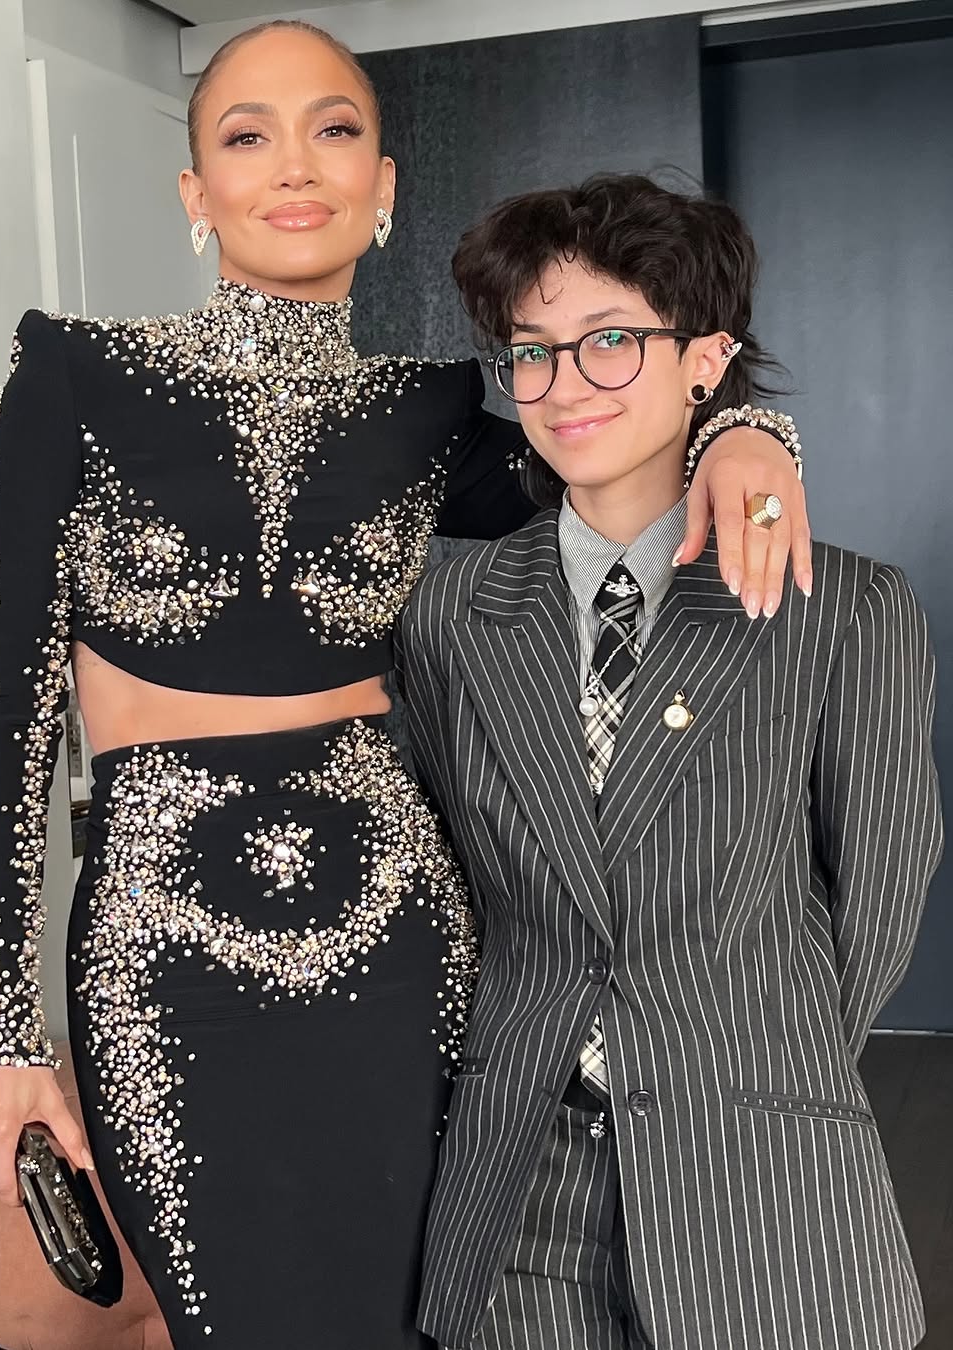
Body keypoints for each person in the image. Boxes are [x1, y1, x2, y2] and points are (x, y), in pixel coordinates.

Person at [0, 23, 808, 1350]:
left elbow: (621, 453)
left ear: (384, 183)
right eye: (248, 135)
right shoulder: (75, 374)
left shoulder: (434, 411)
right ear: (196, 191)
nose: (296, 164)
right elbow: (0, 719)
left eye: (334, 129)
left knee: (411, 1316)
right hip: (162, 953)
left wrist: (746, 427)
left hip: (398, 937)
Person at [397, 172, 943, 1350]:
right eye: (531, 352)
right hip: (518, 1178)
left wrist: (746, 1064)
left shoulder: (843, 610)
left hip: (759, 1165)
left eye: (609, 341)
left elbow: (880, 899)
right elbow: (452, 880)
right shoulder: (449, 615)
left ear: (705, 360)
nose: (561, 386)